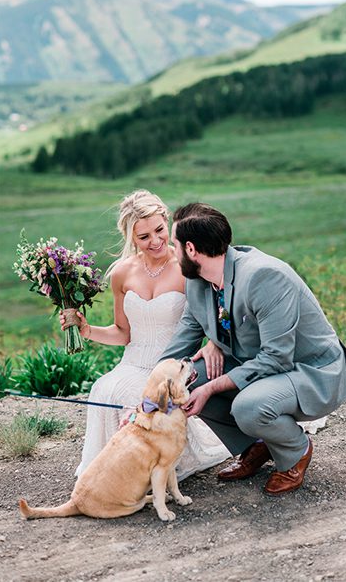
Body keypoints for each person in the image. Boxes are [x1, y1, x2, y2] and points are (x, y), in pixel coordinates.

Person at [159, 202, 346, 495]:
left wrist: (211, 388)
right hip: (256, 366)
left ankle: (295, 451)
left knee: (247, 406)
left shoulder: (265, 276)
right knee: (191, 378)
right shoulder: (196, 281)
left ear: (191, 249)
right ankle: (256, 447)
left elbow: (277, 357)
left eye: (173, 244)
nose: (171, 250)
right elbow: (180, 344)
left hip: (307, 370)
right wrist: (152, 392)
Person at [61, 190, 231, 480]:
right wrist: (86, 330)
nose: (154, 241)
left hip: (172, 366)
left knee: (134, 395)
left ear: (167, 222)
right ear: (131, 238)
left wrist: (215, 342)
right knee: (103, 388)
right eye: (143, 237)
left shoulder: (188, 267)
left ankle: (146, 471)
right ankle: (114, 472)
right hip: (132, 362)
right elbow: (123, 333)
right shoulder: (121, 273)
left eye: (159, 230)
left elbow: (221, 311)